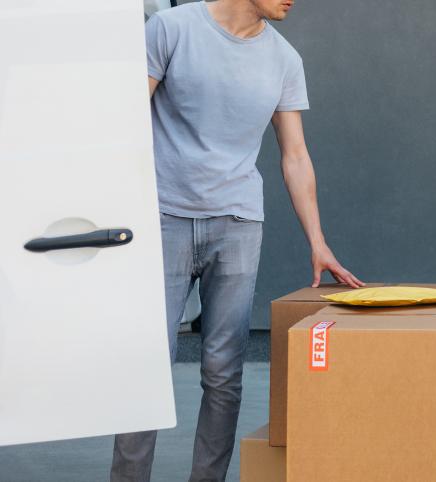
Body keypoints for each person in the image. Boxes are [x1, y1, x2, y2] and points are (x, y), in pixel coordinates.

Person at [113, 1, 363, 481]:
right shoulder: (171, 29)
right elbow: (123, 122)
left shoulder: (285, 60)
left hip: (238, 224)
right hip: (163, 217)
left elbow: (295, 155)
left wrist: (318, 239)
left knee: (224, 373)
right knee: (144, 367)